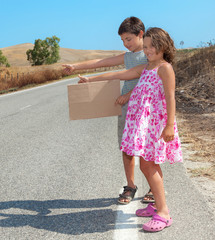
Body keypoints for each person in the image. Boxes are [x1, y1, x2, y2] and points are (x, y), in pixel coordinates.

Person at [78, 27, 183, 232]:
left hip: (155, 126)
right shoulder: (145, 68)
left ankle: (163, 213)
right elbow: (119, 74)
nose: (148, 50)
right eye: (146, 47)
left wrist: (169, 125)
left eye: (153, 46)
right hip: (143, 126)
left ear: (164, 46)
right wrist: (90, 79)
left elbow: (170, 97)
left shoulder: (164, 68)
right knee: (148, 165)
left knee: (148, 166)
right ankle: (156, 205)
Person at [63, 16, 153, 204]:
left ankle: (153, 187)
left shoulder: (150, 55)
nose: (125, 44)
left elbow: (146, 80)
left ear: (141, 34)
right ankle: (130, 186)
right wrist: (75, 66)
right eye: (122, 40)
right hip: (127, 109)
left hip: (146, 108)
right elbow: (101, 62)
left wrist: (128, 95)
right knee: (126, 147)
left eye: (128, 39)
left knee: (147, 147)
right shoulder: (127, 57)